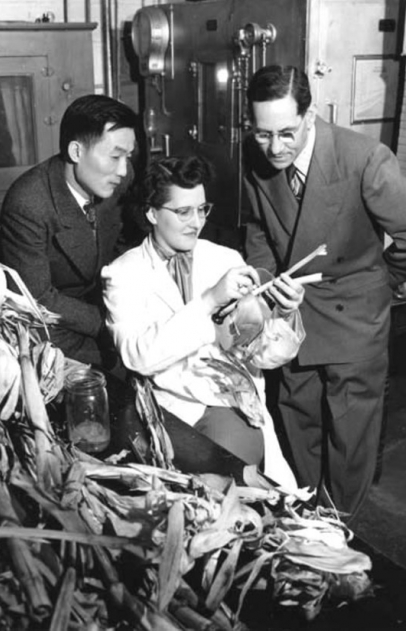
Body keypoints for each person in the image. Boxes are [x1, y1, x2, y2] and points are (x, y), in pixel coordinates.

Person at [242, 64, 406, 516]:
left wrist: (381, 284)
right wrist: (266, 283)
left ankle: (340, 529)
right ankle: (308, 517)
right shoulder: (254, 153)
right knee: (296, 420)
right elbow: (259, 229)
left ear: (310, 114)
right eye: (263, 135)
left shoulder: (363, 157)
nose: (275, 148)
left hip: (354, 319)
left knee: (349, 435)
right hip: (291, 318)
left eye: (286, 132)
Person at [102, 155, 305, 489]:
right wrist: (210, 299)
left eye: (202, 209)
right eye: (183, 212)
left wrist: (283, 313)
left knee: (233, 494)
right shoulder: (123, 273)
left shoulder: (225, 260)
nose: (196, 222)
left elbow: (263, 355)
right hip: (170, 408)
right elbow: (138, 355)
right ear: (152, 213)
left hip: (229, 404)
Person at [0, 94, 138, 367]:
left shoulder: (117, 176)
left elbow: (125, 241)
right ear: (76, 152)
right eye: (115, 156)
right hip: (54, 318)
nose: (124, 169)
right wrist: (111, 322)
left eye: (128, 156)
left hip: (106, 299)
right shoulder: (28, 202)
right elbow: (38, 298)